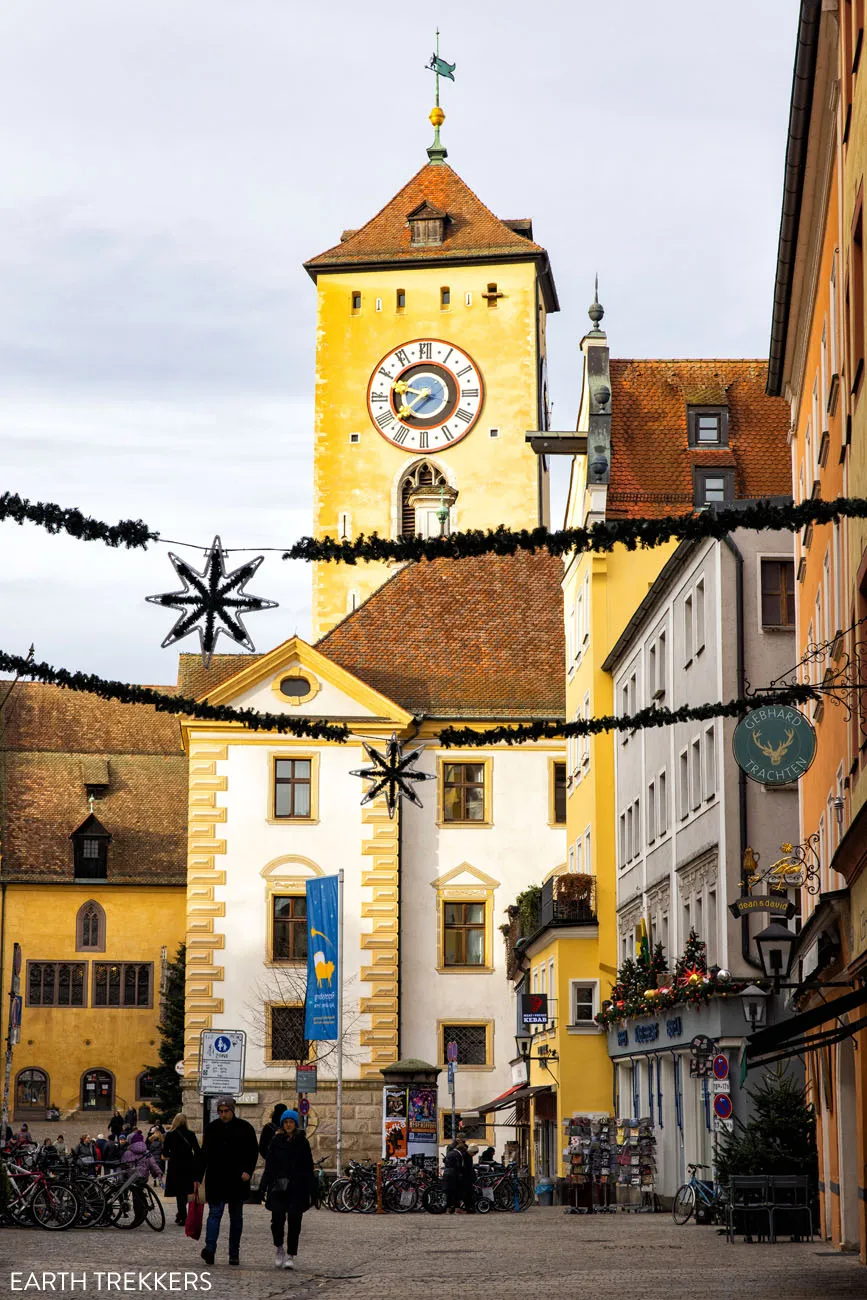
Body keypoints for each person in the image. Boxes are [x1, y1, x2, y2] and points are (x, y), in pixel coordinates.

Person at [195, 1095, 258, 1268]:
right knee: (215, 1214)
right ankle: (210, 1250)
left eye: (226, 1111)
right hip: (216, 1179)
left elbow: (253, 1152)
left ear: (232, 1110)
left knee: (236, 1217)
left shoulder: (245, 1128)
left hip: (237, 1180)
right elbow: (204, 1154)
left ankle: (234, 1253)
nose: (223, 1114)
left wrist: (248, 1171)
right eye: (220, 1111)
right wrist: (198, 1177)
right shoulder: (212, 1129)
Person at [261, 1109, 314, 1270]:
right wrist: (263, 1186)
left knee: (294, 1220)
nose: (289, 1124)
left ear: (295, 1124)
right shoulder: (276, 1141)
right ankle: (279, 1247)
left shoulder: (302, 1142)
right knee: (277, 1220)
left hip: (297, 1187)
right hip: (278, 1187)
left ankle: (291, 1254)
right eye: (286, 1122)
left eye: (291, 1122)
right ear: (282, 1124)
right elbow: (269, 1165)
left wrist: (311, 1189)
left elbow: (308, 1166)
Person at [163, 1113, 201, 1226]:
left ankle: (182, 1215)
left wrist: (173, 1154)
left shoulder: (170, 1134)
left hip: (175, 1165)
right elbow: (197, 1151)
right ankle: (181, 1214)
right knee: (184, 1191)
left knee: (179, 1192)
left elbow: (165, 1152)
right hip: (188, 1165)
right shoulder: (190, 1134)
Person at [443, 1140, 463, 1215]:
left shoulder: (449, 1153)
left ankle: (448, 1209)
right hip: (454, 1174)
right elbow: (459, 1166)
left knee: (449, 1192)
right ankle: (456, 1209)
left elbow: (444, 1160)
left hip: (446, 1173)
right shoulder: (458, 1154)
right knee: (456, 1192)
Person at [460, 1141, 476, 1213]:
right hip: (466, 1177)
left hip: (467, 1176)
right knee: (467, 1193)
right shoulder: (466, 1156)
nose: (474, 1155)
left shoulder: (467, 1155)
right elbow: (467, 1168)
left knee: (468, 1193)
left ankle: (468, 1207)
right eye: (474, 1153)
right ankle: (468, 1208)